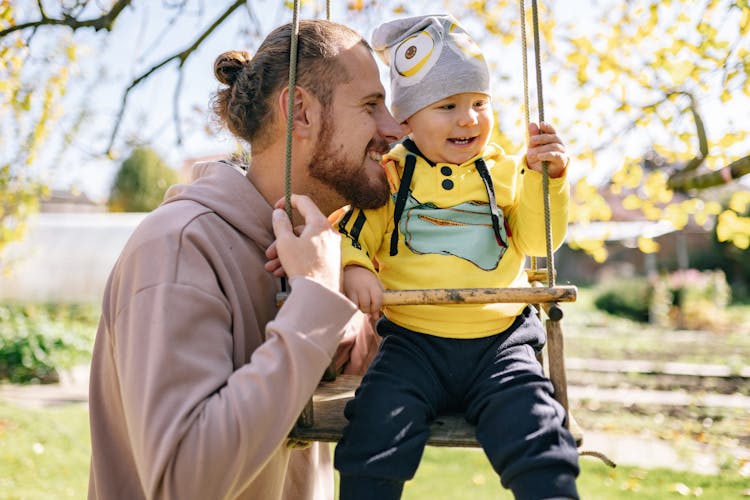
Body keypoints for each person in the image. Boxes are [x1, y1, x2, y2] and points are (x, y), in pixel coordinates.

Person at [87, 20, 403, 500]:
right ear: (299, 111)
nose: (394, 129)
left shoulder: (312, 249)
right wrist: (315, 299)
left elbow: (351, 368)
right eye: (370, 105)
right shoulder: (176, 248)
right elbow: (182, 483)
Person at [333, 14, 580, 499]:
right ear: (407, 119)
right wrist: (356, 265)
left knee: (536, 430)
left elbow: (535, 239)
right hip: (411, 344)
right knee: (374, 430)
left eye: (479, 103)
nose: (468, 119)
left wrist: (547, 179)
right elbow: (357, 231)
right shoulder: (391, 175)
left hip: (500, 345)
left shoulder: (507, 172)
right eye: (447, 106)